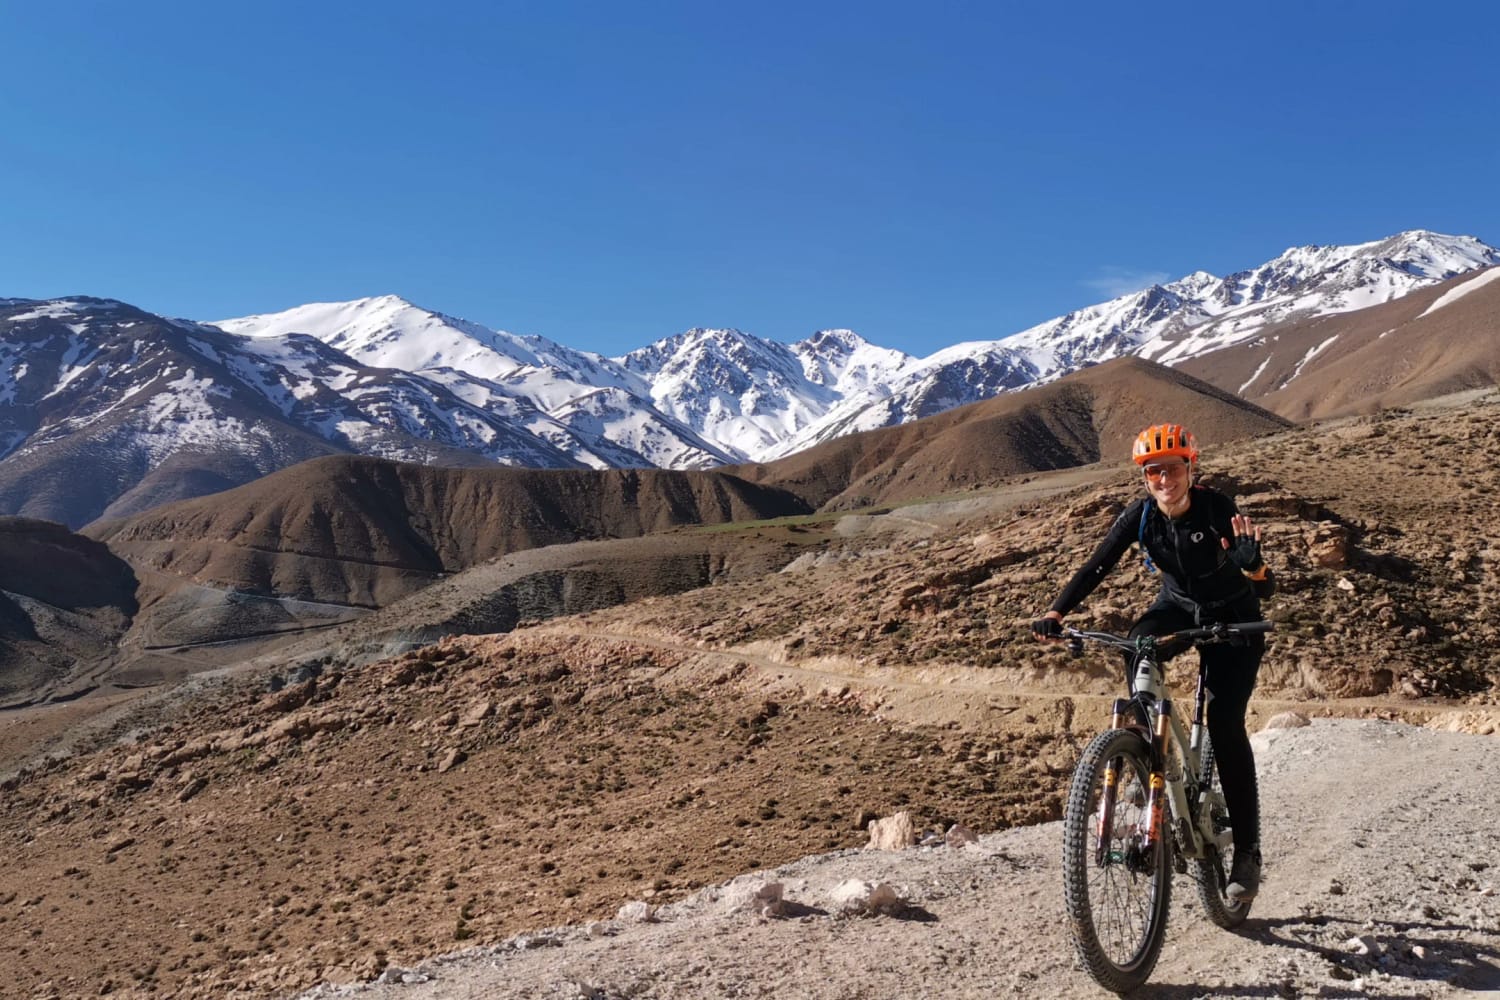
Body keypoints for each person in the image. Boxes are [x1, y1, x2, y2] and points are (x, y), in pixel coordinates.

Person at [1031, 422, 1274, 900]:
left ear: (1190, 468)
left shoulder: (1216, 509)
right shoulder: (1142, 517)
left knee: (1225, 724)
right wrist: (1057, 611)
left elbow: (1264, 590)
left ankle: (1247, 850)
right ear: (1144, 477)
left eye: (1172, 469)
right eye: (1153, 472)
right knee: (1138, 643)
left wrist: (1253, 566)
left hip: (1235, 618)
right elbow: (1096, 565)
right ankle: (1145, 751)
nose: (1164, 480)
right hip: (1178, 609)